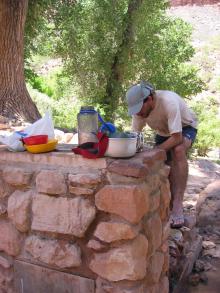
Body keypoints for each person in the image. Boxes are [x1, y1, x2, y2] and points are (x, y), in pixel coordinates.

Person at [125, 81, 198, 228]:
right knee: (161, 162)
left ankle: (177, 205)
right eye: (135, 110)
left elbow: (177, 137)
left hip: (185, 128)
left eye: (139, 108)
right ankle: (166, 203)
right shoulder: (139, 112)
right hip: (163, 132)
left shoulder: (168, 102)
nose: (138, 113)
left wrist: (156, 150)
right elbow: (135, 137)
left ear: (150, 99)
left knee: (177, 151)